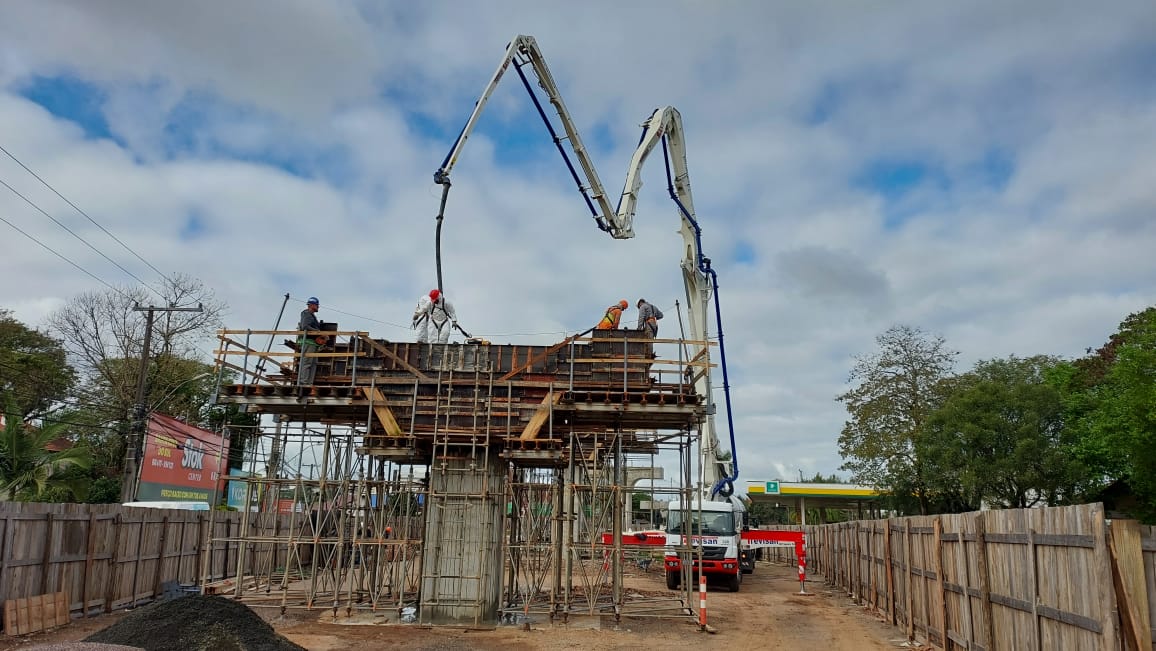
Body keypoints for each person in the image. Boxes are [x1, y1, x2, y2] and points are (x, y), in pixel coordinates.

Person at [297, 297, 328, 385]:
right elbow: (305, 327)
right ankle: (303, 382)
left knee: (313, 363)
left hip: (313, 343)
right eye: (317, 305)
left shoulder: (311, 315)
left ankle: (309, 383)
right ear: (311, 305)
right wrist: (319, 333)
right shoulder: (306, 313)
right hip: (308, 342)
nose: (318, 307)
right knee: (307, 362)